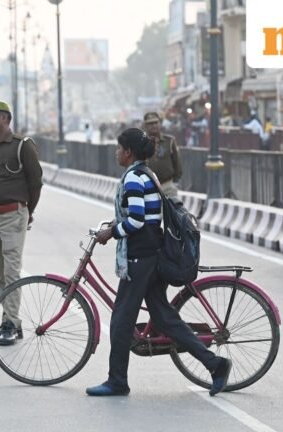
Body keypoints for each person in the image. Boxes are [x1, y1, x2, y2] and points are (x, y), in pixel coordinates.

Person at [86, 127, 231, 397]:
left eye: (119, 148)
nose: (116, 152)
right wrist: (117, 224)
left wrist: (111, 232)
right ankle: (216, 364)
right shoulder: (146, 173)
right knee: (165, 317)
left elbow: (138, 219)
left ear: (128, 152)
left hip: (141, 258)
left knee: (120, 320)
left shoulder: (132, 178)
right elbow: (144, 216)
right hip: (152, 253)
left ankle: (117, 381)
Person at [0, 100, 43, 346]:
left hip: (13, 214)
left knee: (11, 271)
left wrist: (28, 211)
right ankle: (9, 318)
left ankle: (11, 323)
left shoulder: (23, 146)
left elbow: (35, 182)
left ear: (6, 118)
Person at [143, 111, 182, 198]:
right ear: (145, 126)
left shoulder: (170, 141)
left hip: (167, 185)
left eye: (156, 122)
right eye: (150, 123)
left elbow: (177, 163)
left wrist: (175, 182)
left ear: (160, 123)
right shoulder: (141, 143)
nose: (153, 125)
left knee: (173, 210)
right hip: (148, 186)